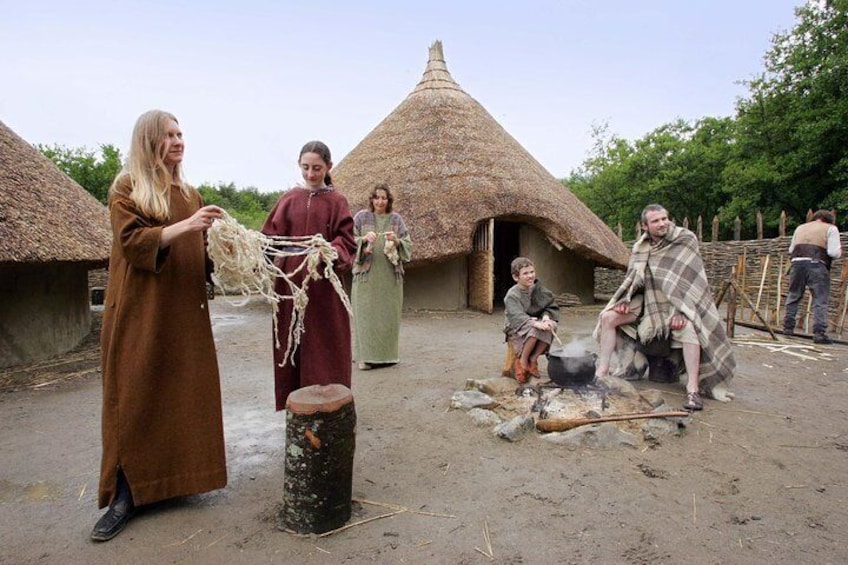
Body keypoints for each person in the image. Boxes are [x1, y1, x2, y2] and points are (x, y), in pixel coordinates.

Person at [92, 110, 227, 542]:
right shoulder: (127, 188)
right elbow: (133, 243)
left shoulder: (189, 192)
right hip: (141, 313)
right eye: (168, 135)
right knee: (135, 395)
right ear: (149, 140)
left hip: (184, 313)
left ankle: (171, 483)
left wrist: (221, 244)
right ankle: (126, 494)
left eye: (181, 133)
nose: (178, 140)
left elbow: (200, 257)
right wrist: (188, 225)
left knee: (182, 394)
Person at [593, 204, 735, 411]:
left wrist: (681, 311)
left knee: (689, 330)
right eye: (655, 221)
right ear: (645, 226)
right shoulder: (641, 248)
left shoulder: (685, 240)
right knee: (608, 317)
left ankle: (693, 390)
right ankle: (602, 372)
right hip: (648, 302)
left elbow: (690, 282)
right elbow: (635, 280)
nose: (662, 224)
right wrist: (626, 299)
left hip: (678, 304)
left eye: (664, 219)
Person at [261, 141, 357, 410]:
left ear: (329, 166)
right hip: (289, 287)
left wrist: (330, 251)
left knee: (324, 344)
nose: (311, 174)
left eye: (317, 168)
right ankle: (296, 405)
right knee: (292, 344)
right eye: (305, 167)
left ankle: (330, 407)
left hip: (322, 288)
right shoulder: (289, 199)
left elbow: (347, 241)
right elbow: (269, 237)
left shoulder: (337, 201)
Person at [352, 183, 412, 370]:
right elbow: (348, 241)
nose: (380, 201)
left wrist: (397, 240)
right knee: (366, 316)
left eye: (384, 198)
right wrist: (363, 240)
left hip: (390, 277)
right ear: (371, 199)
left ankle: (387, 357)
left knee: (388, 315)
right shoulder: (361, 218)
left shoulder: (396, 219)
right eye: (377, 197)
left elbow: (408, 244)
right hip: (366, 277)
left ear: (389, 200)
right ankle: (365, 358)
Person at [783, 209, 842, 344]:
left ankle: (788, 327)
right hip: (817, 264)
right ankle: (819, 333)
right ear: (829, 219)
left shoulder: (800, 228)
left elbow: (791, 250)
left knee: (793, 295)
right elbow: (833, 252)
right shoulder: (831, 228)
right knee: (820, 299)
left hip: (796, 263)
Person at [503, 257, 560, 384]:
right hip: (515, 325)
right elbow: (516, 316)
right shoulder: (512, 295)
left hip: (535, 320)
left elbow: (549, 306)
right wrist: (535, 323)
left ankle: (533, 359)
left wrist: (546, 317)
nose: (530, 276)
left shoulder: (538, 288)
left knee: (552, 325)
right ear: (516, 277)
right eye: (525, 273)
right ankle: (522, 361)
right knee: (535, 330)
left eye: (532, 272)